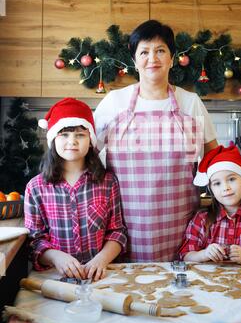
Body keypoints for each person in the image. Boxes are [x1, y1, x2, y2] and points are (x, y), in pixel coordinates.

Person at [94, 19, 218, 262]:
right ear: (134, 60)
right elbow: (86, 157)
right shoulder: (113, 102)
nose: (153, 58)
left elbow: (216, 159)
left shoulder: (190, 102)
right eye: (144, 52)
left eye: (161, 50)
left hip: (182, 228)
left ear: (172, 58)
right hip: (124, 228)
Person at [25, 98, 127, 281]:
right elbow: (34, 241)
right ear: (53, 140)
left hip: (100, 275)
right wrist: (56, 257)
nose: (72, 141)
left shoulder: (108, 182)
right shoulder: (36, 188)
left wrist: (101, 259)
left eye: (80, 135)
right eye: (64, 135)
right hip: (54, 277)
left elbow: (117, 232)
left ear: (90, 140)